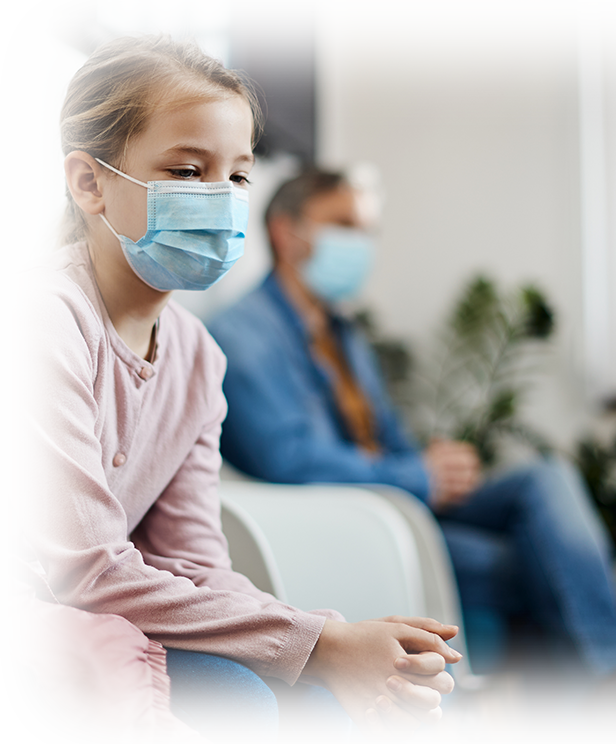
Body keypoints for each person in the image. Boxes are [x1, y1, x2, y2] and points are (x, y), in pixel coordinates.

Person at [0, 33, 462, 744]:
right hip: (29, 599)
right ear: (90, 182)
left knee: (312, 702)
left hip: (97, 598)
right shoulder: (38, 315)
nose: (219, 198)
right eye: (188, 171)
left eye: (238, 177)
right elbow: (86, 569)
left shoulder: (198, 356)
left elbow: (194, 563)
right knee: (240, 703)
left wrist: (324, 647)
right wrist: (322, 642)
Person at [207, 168, 616, 744]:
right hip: (358, 521)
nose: (360, 245)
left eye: (367, 230)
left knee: (546, 478)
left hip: (399, 500)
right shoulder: (243, 332)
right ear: (287, 233)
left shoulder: (345, 337)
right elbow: (291, 462)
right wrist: (418, 475)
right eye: (344, 226)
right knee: (537, 565)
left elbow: (389, 442)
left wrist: (431, 464)